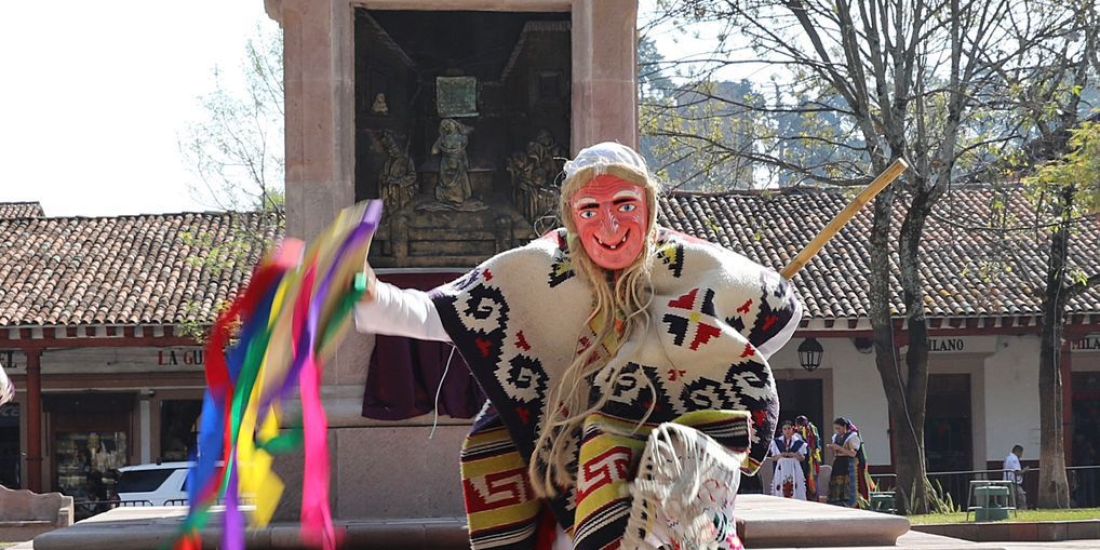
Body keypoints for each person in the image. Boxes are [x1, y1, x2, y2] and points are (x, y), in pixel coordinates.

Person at [356, 142, 803, 549]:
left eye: (625, 205)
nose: (610, 225)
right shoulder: (537, 269)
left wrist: (710, 361)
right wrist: (369, 293)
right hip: (571, 493)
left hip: (674, 499)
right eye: (590, 210)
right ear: (571, 216)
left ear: (649, 206)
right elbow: (439, 313)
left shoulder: (695, 265)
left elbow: (781, 313)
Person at [827, 417, 864, 508]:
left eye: (839, 428)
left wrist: (839, 448)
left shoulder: (852, 437)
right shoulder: (836, 437)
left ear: (844, 427)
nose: (837, 431)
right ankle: (836, 502)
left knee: (848, 485)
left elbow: (853, 453)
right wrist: (833, 449)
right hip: (838, 463)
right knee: (836, 484)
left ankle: (849, 504)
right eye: (836, 428)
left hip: (848, 463)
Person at [769, 420, 808, 499]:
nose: (787, 431)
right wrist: (781, 455)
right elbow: (773, 458)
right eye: (785, 429)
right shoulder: (776, 442)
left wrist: (794, 455)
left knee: (796, 488)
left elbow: (802, 458)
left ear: (792, 429)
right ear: (782, 430)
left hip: (794, 468)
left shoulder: (798, 442)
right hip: (781, 468)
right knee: (781, 488)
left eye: (789, 428)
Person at [795, 415, 822, 499]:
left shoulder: (806, 432)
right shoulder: (812, 430)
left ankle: (810, 497)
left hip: (807, 460)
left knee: (807, 479)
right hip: (811, 459)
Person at [1003, 444, 1028, 509]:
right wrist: (1025, 470)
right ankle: (1023, 511)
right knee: (1021, 498)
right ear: (1018, 452)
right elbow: (1017, 472)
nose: (1021, 455)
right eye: (1021, 453)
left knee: (1011, 500)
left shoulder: (1008, 458)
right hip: (1013, 483)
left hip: (1008, 482)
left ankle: (1012, 511)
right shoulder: (1014, 459)